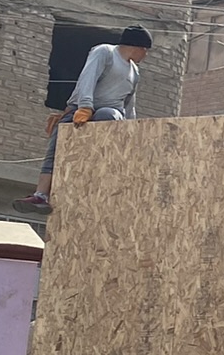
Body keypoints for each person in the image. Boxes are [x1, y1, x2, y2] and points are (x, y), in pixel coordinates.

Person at [14, 26, 152, 214]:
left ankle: (97, 175)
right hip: (82, 108)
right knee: (58, 144)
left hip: (111, 113)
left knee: (106, 114)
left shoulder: (134, 72)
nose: (145, 55)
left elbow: (129, 104)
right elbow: (88, 77)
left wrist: (132, 129)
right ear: (138, 47)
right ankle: (40, 195)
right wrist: (85, 106)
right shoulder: (105, 52)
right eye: (146, 51)